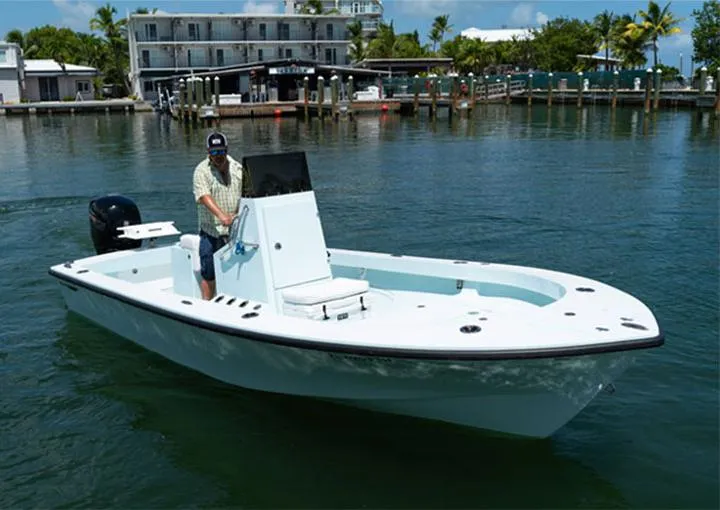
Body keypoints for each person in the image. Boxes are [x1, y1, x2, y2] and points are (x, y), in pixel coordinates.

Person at [192, 132, 245, 300]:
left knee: (236, 271)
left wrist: (237, 214)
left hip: (235, 231)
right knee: (209, 274)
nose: (218, 156)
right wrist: (222, 216)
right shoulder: (202, 171)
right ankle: (206, 306)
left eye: (221, 151)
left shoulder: (237, 168)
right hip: (211, 232)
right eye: (214, 152)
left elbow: (247, 193)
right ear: (208, 152)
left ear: (226, 150)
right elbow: (203, 196)